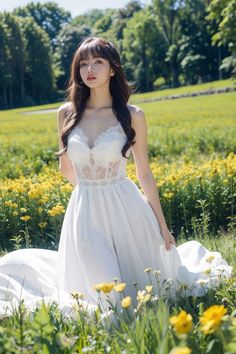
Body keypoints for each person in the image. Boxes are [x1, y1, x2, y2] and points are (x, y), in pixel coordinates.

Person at [0, 36, 232, 319]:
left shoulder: (133, 115)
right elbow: (65, 168)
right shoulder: (66, 114)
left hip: (128, 209)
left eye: (98, 62)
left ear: (112, 69)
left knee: (145, 292)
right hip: (84, 212)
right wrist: (91, 195)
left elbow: (144, 173)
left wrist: (162, 225)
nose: (90, 69)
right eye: (83, 64)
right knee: (106, 301)